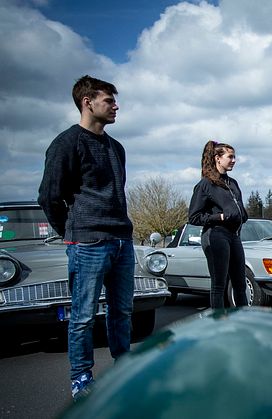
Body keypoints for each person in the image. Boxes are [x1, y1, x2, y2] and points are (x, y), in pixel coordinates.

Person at [38, 75, 134, 400]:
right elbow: (49, 197)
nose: (116, 106)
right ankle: (81, 379)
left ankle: (124, 370)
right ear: (87, 102)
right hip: (87, 243)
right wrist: (71, 233)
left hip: (122, 240)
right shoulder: (66, 144)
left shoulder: (116, 148)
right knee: (83, 316)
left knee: (122, 311)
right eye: (109, 100)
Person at [188, 141, 249, 309]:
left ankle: (244, 319)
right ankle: (218, 323)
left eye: (234, 157)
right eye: (230, 157)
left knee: (240, 284)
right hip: (215, 235)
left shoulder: (233, 183)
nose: (234, 160)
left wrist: (242, 214)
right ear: (217, 158)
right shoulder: (206, 184)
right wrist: (220, 217)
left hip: (233, 235)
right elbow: (194, 217)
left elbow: (237, 208)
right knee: (219, 284)